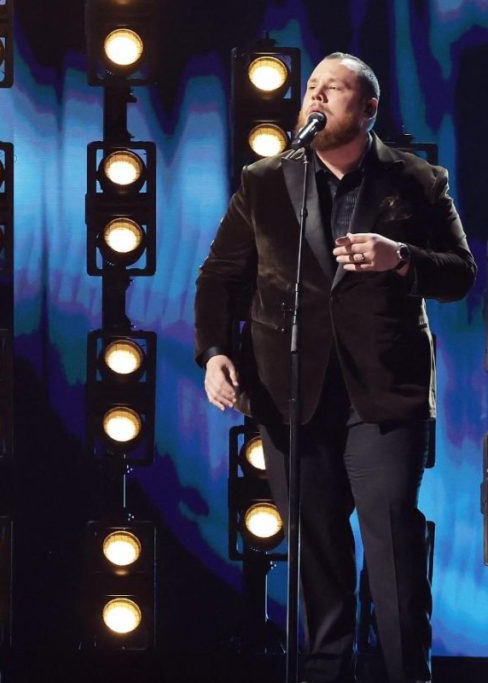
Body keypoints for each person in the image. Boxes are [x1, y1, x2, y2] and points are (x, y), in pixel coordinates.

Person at [195, 53, 475, 683]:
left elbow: (460, 274)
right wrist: (214, 353)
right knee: (316, 554)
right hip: (291, 392)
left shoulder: (419, 180)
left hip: (384, 396)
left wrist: (400, 256)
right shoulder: (266, 181)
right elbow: (220, 278)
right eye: (312, 88)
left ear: (368, 108)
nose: (316, 98)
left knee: (393, 546)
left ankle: (409, 672)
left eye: (335, 89)